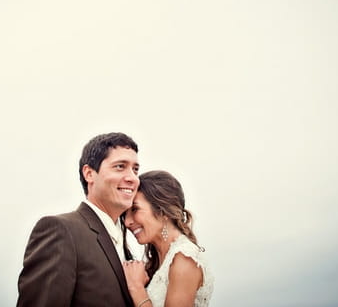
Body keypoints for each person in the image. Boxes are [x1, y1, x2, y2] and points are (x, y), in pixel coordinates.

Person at [16, 132, 140, 307]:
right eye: (120, 166)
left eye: (135, 169)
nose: (132, 178)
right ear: (89, 173)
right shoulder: (61, 230)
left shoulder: (127, 244)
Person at [121, 170, 213, 307]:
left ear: (163, 212)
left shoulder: (184, 259)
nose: (127, 222)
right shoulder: (157, 261)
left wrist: (137, 288)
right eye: (125, 214)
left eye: (135, 209)